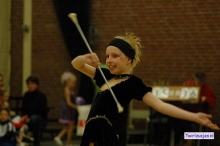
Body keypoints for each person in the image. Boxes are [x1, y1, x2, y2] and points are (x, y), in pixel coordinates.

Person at [71, 32, 219, 146]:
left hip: (108, 137)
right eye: (107, 56)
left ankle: (194, 139)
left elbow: (160, 105)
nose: (109, 60)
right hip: (91, 134)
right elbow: (76, 64)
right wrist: (85, 58)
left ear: (129, 59)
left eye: (115, 56)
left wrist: (193, 117)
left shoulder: (132, 83)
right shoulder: (105, 76)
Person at [21, 76, 47, 146]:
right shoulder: (26, 95)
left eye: (32, 84)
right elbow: (23, 108)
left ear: (36, 85)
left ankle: (36, 141)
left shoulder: (41, 96)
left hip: (39, 118)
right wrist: (24, 116)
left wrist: (29, 117)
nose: (30, 86)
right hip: (27, 117)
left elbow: (42, 111)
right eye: (29, 84)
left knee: (34, 119)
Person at [54, 72, 78, 146]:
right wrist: (77, 107)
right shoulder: (67, 90)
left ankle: (59, 137)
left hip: (68, 109)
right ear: (67, 82)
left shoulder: (69, 90)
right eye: (73, 82)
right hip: (67, 110)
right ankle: (68, 143)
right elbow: (68, 102)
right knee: (71, 126)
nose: (74, 84)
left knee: (68, 126)